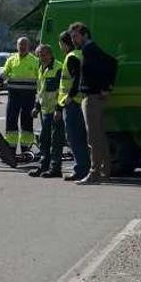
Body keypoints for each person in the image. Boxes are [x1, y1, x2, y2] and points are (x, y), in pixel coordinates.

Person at [68, 22, 118, 185]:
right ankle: (104, 172)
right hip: (92, 97)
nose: (73, 39)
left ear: (85, 35)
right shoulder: (89, 49)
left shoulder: (90, 50)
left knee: (94, 138)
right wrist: (107, 87)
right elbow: (111, 62)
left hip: (92, 98)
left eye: (75, 36)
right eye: (72, 36)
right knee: (99, 137)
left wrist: (106, 87)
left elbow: (111, 63)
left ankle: (95, 173)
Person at [0, 37, 40, 150]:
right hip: (14, 95)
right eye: (20, 45)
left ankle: (26, 149)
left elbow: (40, 79)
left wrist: (40, 97)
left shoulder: (34, 61)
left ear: (28, 46)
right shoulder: (11, 59)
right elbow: (5, 71)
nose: (22, 47)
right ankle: (11, 148)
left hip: (28, 96)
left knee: (27, 122)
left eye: (24, 45)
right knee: (11, 121)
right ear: (17, 46)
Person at [57, 31, 90, 181]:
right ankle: (84, 166)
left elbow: (76, 80)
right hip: (80, 101)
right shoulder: (80, 53)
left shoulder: (71, 57)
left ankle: (81, 169)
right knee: (81, 138)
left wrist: (69, 97)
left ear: (64, 44)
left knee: (75, 138)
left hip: (73, 103)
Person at [30, 44, 65, 178]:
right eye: (39, 55)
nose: (41, 57)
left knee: (56, 140)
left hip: (56, 111)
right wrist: (36, 107)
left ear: (50, 54)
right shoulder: (41, 68)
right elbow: (40, 91)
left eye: (44, 54)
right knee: (44, 140)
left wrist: (59, 109)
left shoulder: (58, 68)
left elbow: (62, 91)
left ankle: (55, 168)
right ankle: (44, 166)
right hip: (45, 111)